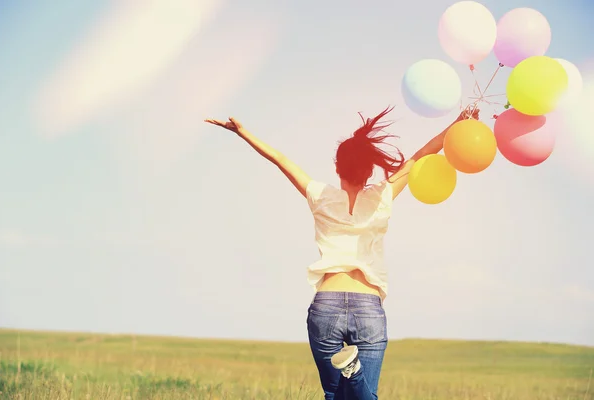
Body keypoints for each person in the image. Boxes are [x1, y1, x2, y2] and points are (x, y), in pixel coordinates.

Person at [204, 105, 479, 399]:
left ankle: (349, 371)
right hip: (368, 307)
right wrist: (457, 124)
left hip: (326, 306)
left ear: (337, 167)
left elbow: (280, 159)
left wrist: (243, 132)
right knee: (366, 395)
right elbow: (421, 155)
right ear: (370, 169)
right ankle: (353, 371)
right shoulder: (381, 196)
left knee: (334, 396)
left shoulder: (319, 195)